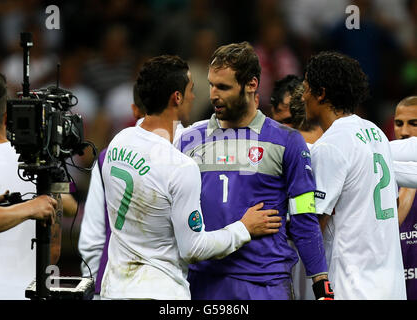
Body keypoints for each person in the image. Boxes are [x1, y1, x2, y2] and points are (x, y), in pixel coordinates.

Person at [99, 55, 281, 300]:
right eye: (191, 90)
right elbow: (193, 248)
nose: (195, 97)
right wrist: (243, 228)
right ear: (177, 97)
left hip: (114, 289)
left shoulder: (118, 142)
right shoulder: (180, 167)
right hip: (159, 292)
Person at [179, 42, 332, 300]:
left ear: (251, 84)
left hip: (264, 284)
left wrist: (322, 286)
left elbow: (304, 219)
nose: (213, 94)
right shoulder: (188, 141)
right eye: (211, 84)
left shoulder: (287, 141)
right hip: (202, 284)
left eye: (224, 87)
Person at [302, 51, 406, 299]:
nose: (303, 96)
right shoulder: (376, 132)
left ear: (321, 93)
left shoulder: (330, 146)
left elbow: (313, 223)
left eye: (306, 89)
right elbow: (392, 202)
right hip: (391, 287)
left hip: (352, 287)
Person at [0, 70, 60, 300]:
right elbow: (54, 250)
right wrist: (33, 206)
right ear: (6, 115)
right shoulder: (39, 157)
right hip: (31, 290)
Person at [79, 83, 147, 298]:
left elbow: (92, 239)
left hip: (112, 285)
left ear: (135, 110)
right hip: (164, 288)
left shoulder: (107, 157)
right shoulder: (185, 158)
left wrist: (94, 285)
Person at [394, 95, 417, 300]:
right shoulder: (382, 177)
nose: (404, 132)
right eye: (399, 124)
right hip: (395, 285)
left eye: (413, 124)